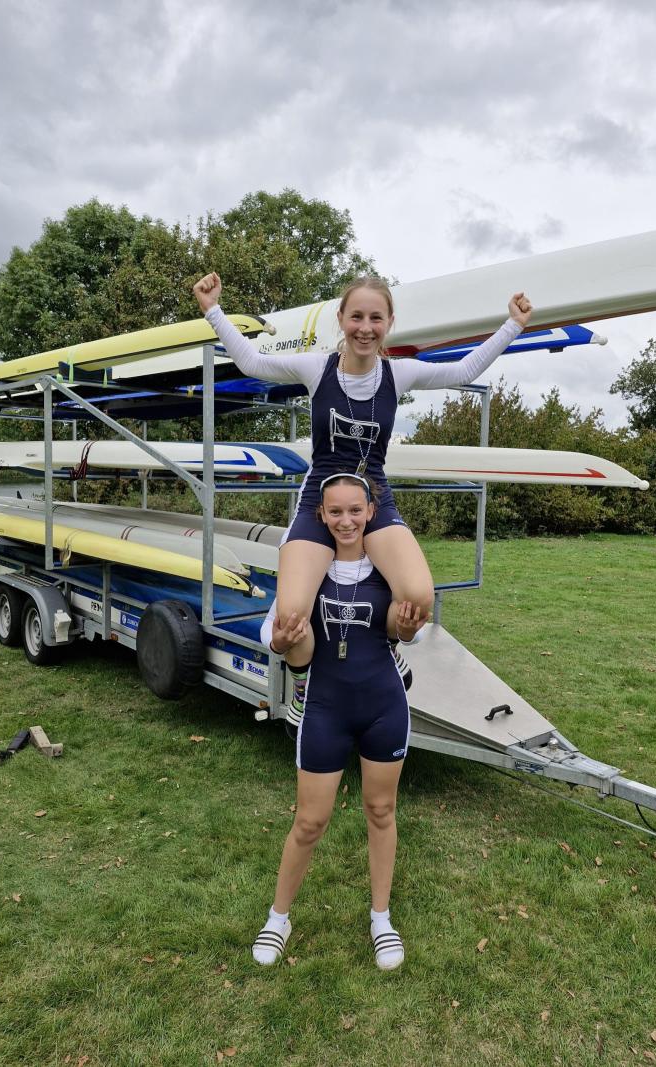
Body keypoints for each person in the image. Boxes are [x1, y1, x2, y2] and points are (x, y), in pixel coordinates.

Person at [193, 271, 532, 730]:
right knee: (291, 616)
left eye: (376, 317)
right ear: (342, 319)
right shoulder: (317, 368)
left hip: (373, 498)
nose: (365, 327)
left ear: (389, 322)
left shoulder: (399, 372)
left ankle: (389, 649)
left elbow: (463, 370)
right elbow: (253, 363)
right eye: (357, 317)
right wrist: (213, 310)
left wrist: (512, 324)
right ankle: (300, 683)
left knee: (417, 596)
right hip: (320, 498)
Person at [253, 473, 426, 970]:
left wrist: (409, 627)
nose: (346, 520)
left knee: (381, 811)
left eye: (356, 510)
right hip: (325, 709)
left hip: (383, 708)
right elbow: (277, 635)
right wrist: (284, 640)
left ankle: (381, 918)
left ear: (371, 512)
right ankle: (277, 918)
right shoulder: (306, 568)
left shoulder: (388, 567)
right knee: (309, 821)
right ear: (321, 516)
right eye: (335, 512)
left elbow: (400, 627)